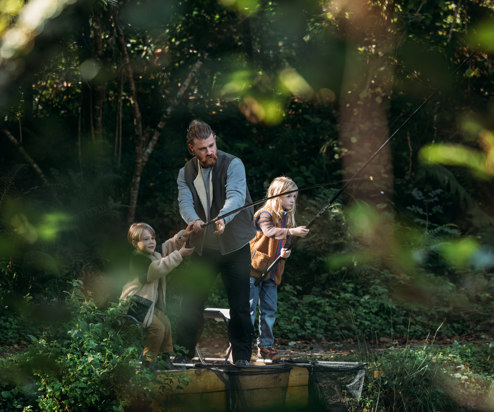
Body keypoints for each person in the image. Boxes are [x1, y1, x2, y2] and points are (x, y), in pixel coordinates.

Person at [175, 119, 256, 366]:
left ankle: (242, 358)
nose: (209, 152)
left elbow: (236, 196)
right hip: (204, 250)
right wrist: (194, 220)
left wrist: (223, 218)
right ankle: (181, 354)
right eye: (203, 148)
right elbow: (184, 203)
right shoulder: (184, 173)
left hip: (235, 247)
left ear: (215, 140)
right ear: (192, 149)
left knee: (240, 306)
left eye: (211, 145)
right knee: (190, 303)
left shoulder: (234, 164)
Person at [249, 176, 309, 361]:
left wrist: (286, 250)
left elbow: (285, 241)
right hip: (252, 271)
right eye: (289, 196)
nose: (292, 200)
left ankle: (265, 347)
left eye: (294, 197)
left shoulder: (287, 218)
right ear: (277, 196)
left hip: (273, 273)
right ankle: (239, 345)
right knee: (248, 311)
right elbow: (269, 231)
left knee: (269, 311)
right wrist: (291, 231)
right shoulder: (264, 214)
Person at [120, 222, 195, 366]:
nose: (151, 242)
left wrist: (183, 236)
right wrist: (179, 254)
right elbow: (156, 270)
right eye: (146, 239)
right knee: (158, 328)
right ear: (135, 243)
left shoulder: (154, 254)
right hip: (134, 305)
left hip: (147, 306)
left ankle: (164, 357)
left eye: (153, 238)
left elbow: (167, 247)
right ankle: (149, 362)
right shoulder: (138, 259)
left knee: (166, 323)